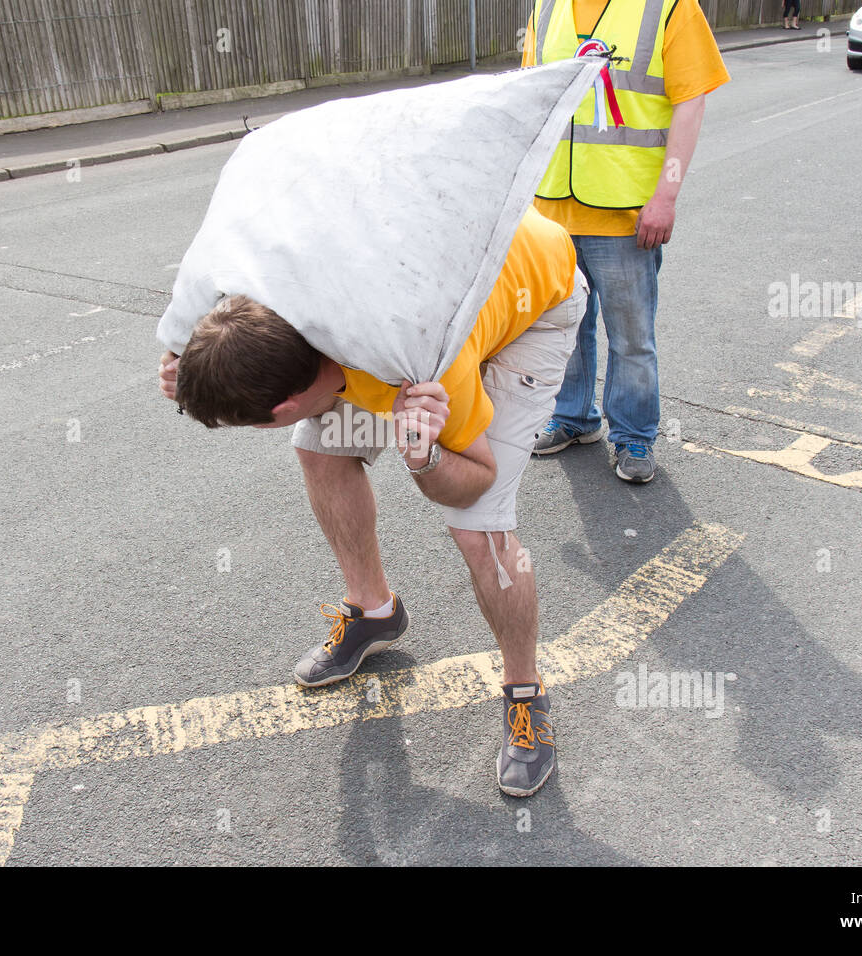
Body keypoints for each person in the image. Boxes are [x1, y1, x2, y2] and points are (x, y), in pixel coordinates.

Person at [160, 208, 587, 797]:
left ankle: (525, 691)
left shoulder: (419, 362)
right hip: (420, 293)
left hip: (535, 296)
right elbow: (217, 285)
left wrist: (423, 455)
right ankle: (375, 610)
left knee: (478, 528)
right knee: (321, 449)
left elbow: (476, 479)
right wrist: (188, 363)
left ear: (284, 403)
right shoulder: (272, 299)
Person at [524, 0, 729, 482]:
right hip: (552, 210)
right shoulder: (547, 7)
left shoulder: (669, 8)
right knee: (564, 328)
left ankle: (634, 438)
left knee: (632, 338)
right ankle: (573, 418)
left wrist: (667, 196)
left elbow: (691, 102)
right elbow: (532, 99)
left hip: (626, 211)